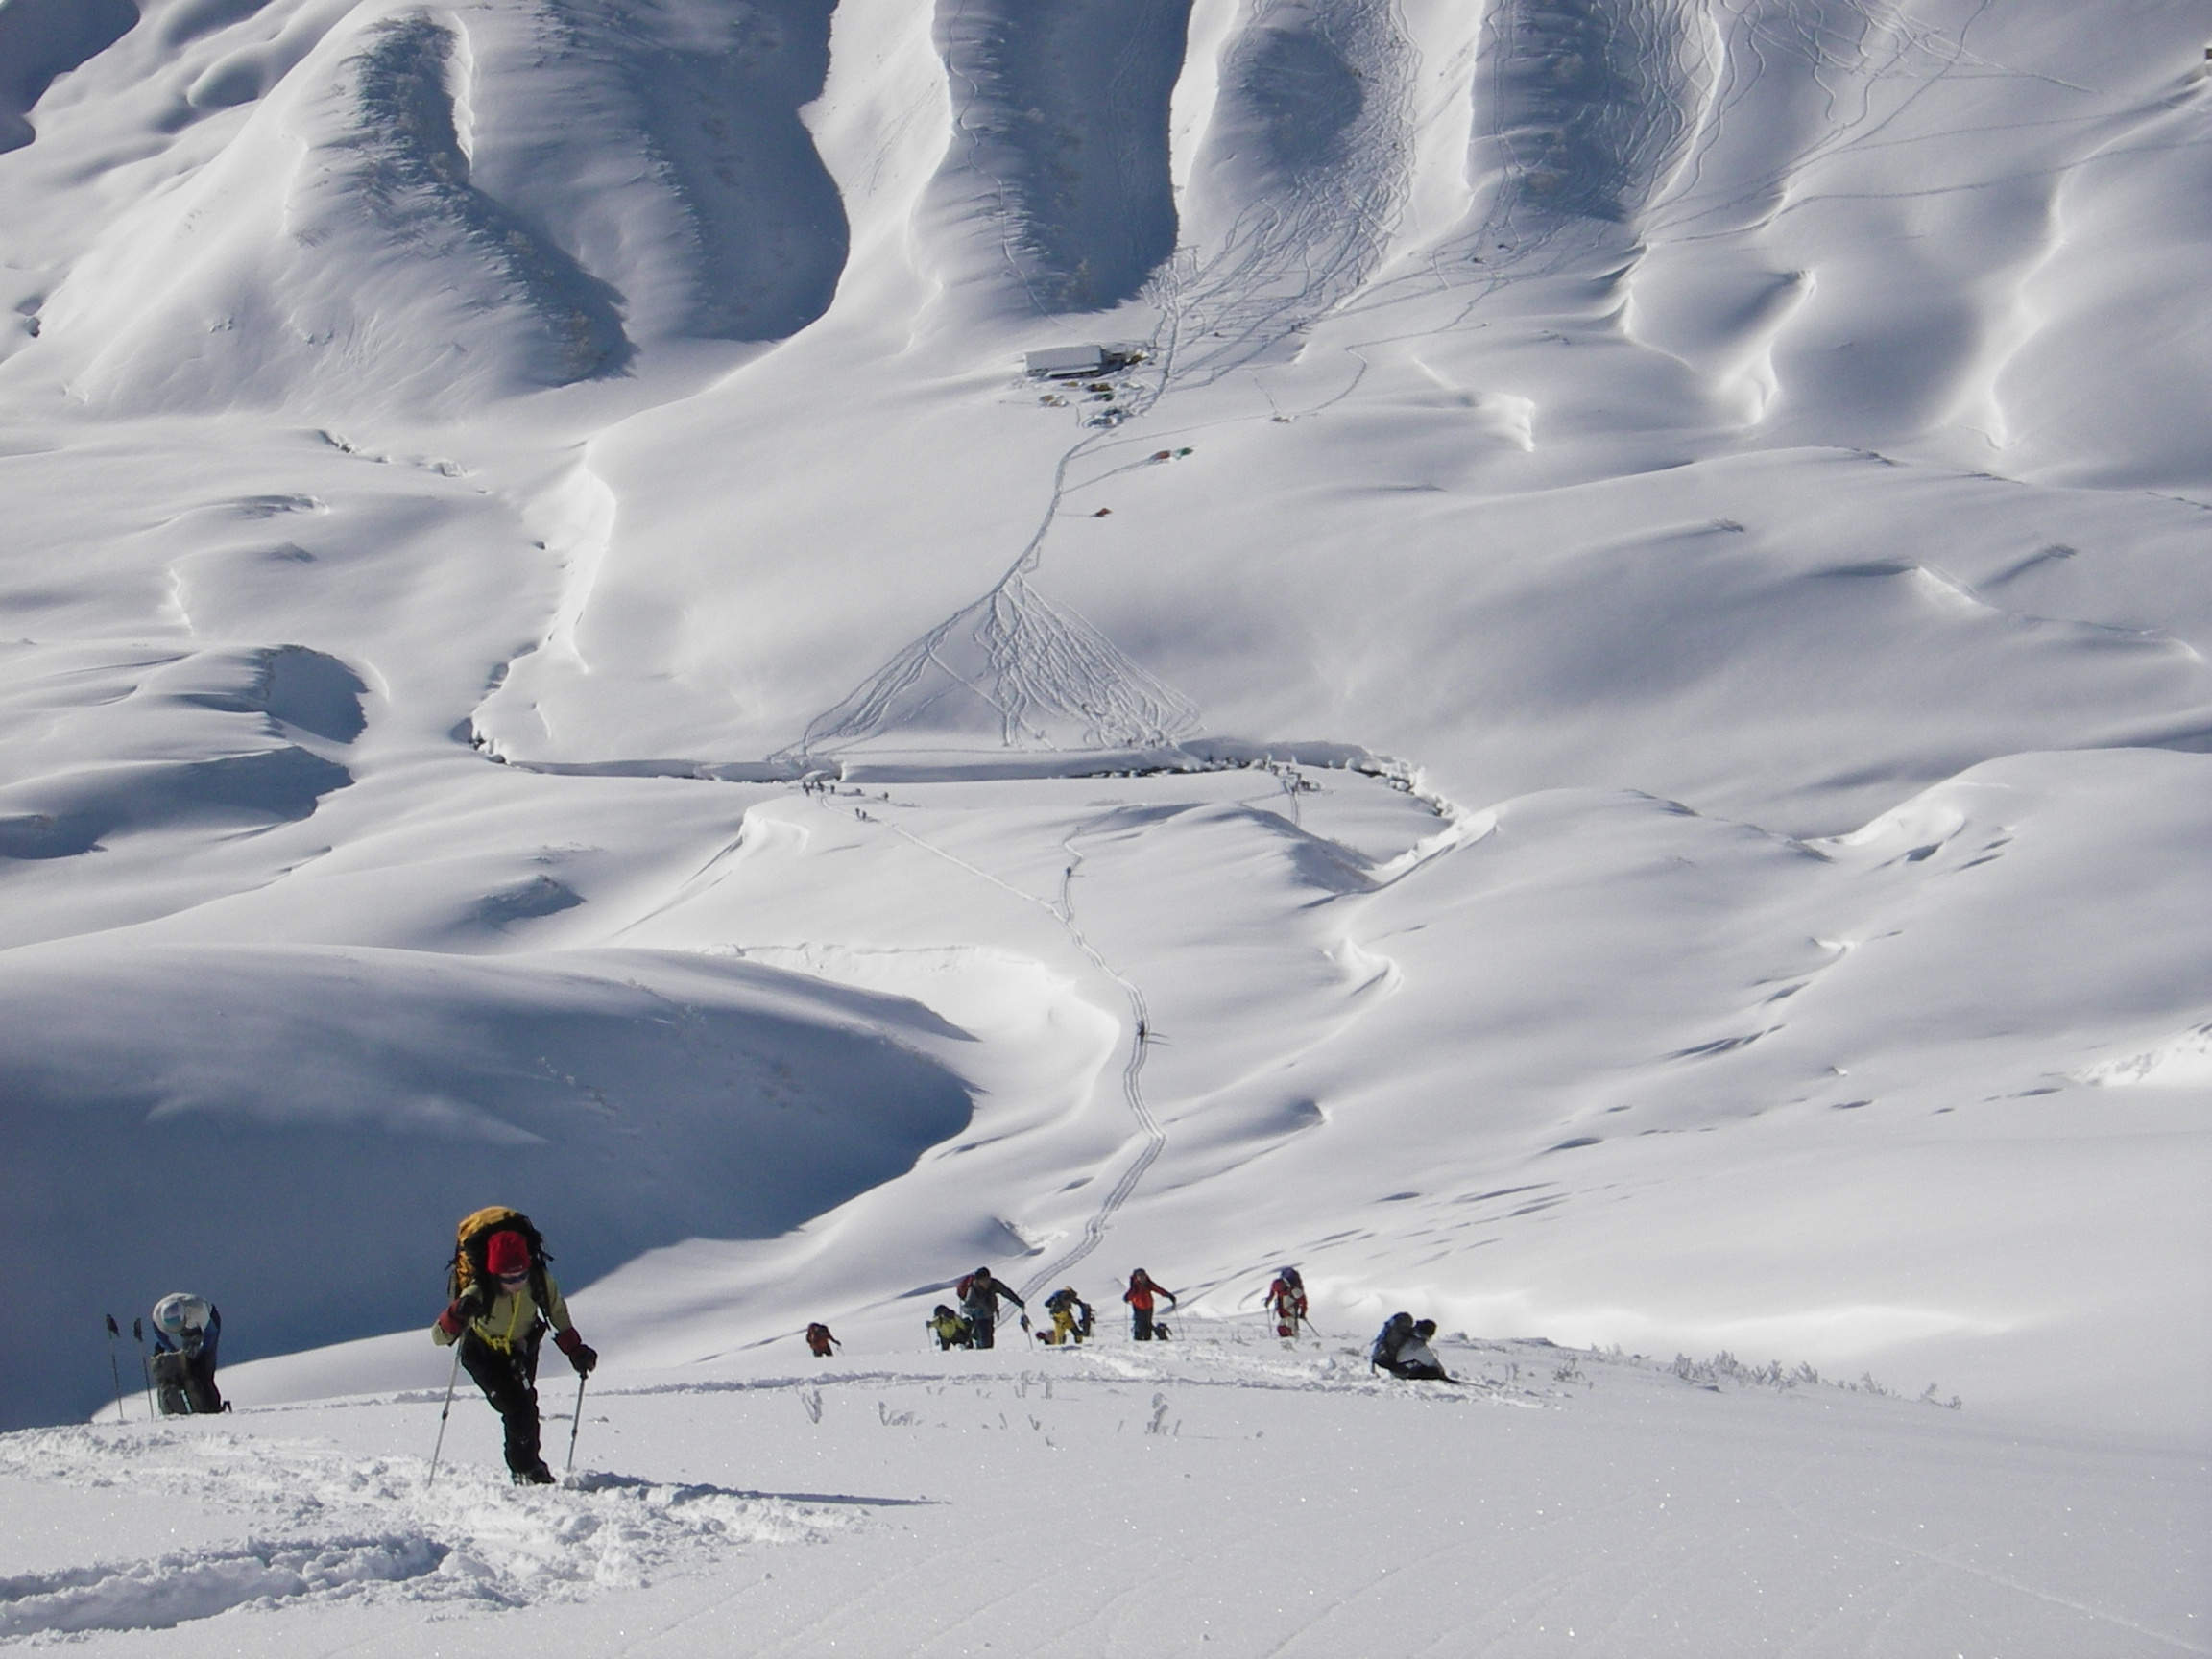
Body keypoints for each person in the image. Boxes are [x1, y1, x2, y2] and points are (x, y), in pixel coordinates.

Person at [433, 1212, 596, 1485]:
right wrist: (458, 1313)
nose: (516, 1284)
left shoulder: (540, 1281)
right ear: (493, 1274)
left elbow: (556, 1312)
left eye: (521, 1276)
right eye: (508, 1279)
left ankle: (528, 1468)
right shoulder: (478, 1291)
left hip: (523, 1349)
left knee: (525, 1406)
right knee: (517, 1407)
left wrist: (576, 1350)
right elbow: (438, 1337)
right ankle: (526, 1469)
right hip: (482, 1352)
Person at [149, 1293, 226, 1414]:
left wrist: (202, 1354)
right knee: (186, 1368)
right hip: (186, 1329)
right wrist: (173, 1352)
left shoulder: (198, 1309)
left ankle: (212, 1407)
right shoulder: (157, 1315)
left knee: (204, 1369)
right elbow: (160, 1337)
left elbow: (211, 1333)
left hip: (207, 1322)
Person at [1372, 1312, 1459, 1382]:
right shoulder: (1418, 1346)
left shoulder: (1405, 1336)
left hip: (1381, 1364)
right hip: (1395, 1371)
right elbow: (1434, 1364)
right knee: (1430, 1371)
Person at [956, 1266, 1024, 1351]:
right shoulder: (973, 1290)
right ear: (978, 1281)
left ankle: (980, 1349)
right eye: (983, 1280)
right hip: (979, 1318)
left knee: (989, 1337)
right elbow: (965, 1307)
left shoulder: (994, 1284)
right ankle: (982, 1353)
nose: (986, 1282)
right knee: (985, 1340)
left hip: (990, 1314)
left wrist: (1016, 1300)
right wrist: (975, 1311)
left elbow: (1005, 1291)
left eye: (987, 1279)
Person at [1123, 1269, 1177, 1341]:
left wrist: (1169, 1295)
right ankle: (1138, 1339)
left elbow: (1158, 1290)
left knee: (1147, 1325)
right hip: (1138, 1308)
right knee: (1139, 1325)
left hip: (1149, 1307)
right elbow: (1130, 1295)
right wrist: (1127, 1298)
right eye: (1140, 1276)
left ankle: (1147, 1339)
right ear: (1136, 1277)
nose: (1142, 1277)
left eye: (1143, 1275)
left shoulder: (1148, 1284)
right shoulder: (1135, 1286)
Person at [1263, 1267, 1308, 1339]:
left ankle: (1294, 1341)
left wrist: (1303, 1313)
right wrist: (1303, 1313)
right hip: (1283, 1312)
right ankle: (1292, 1341)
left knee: (1288, 1328)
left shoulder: (1293, 1290)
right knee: (1283, 1328)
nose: (1279, 1293)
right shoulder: (1278, 1285)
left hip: (1289, 1312)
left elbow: (1303, 1302)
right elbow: (1303, 1303)